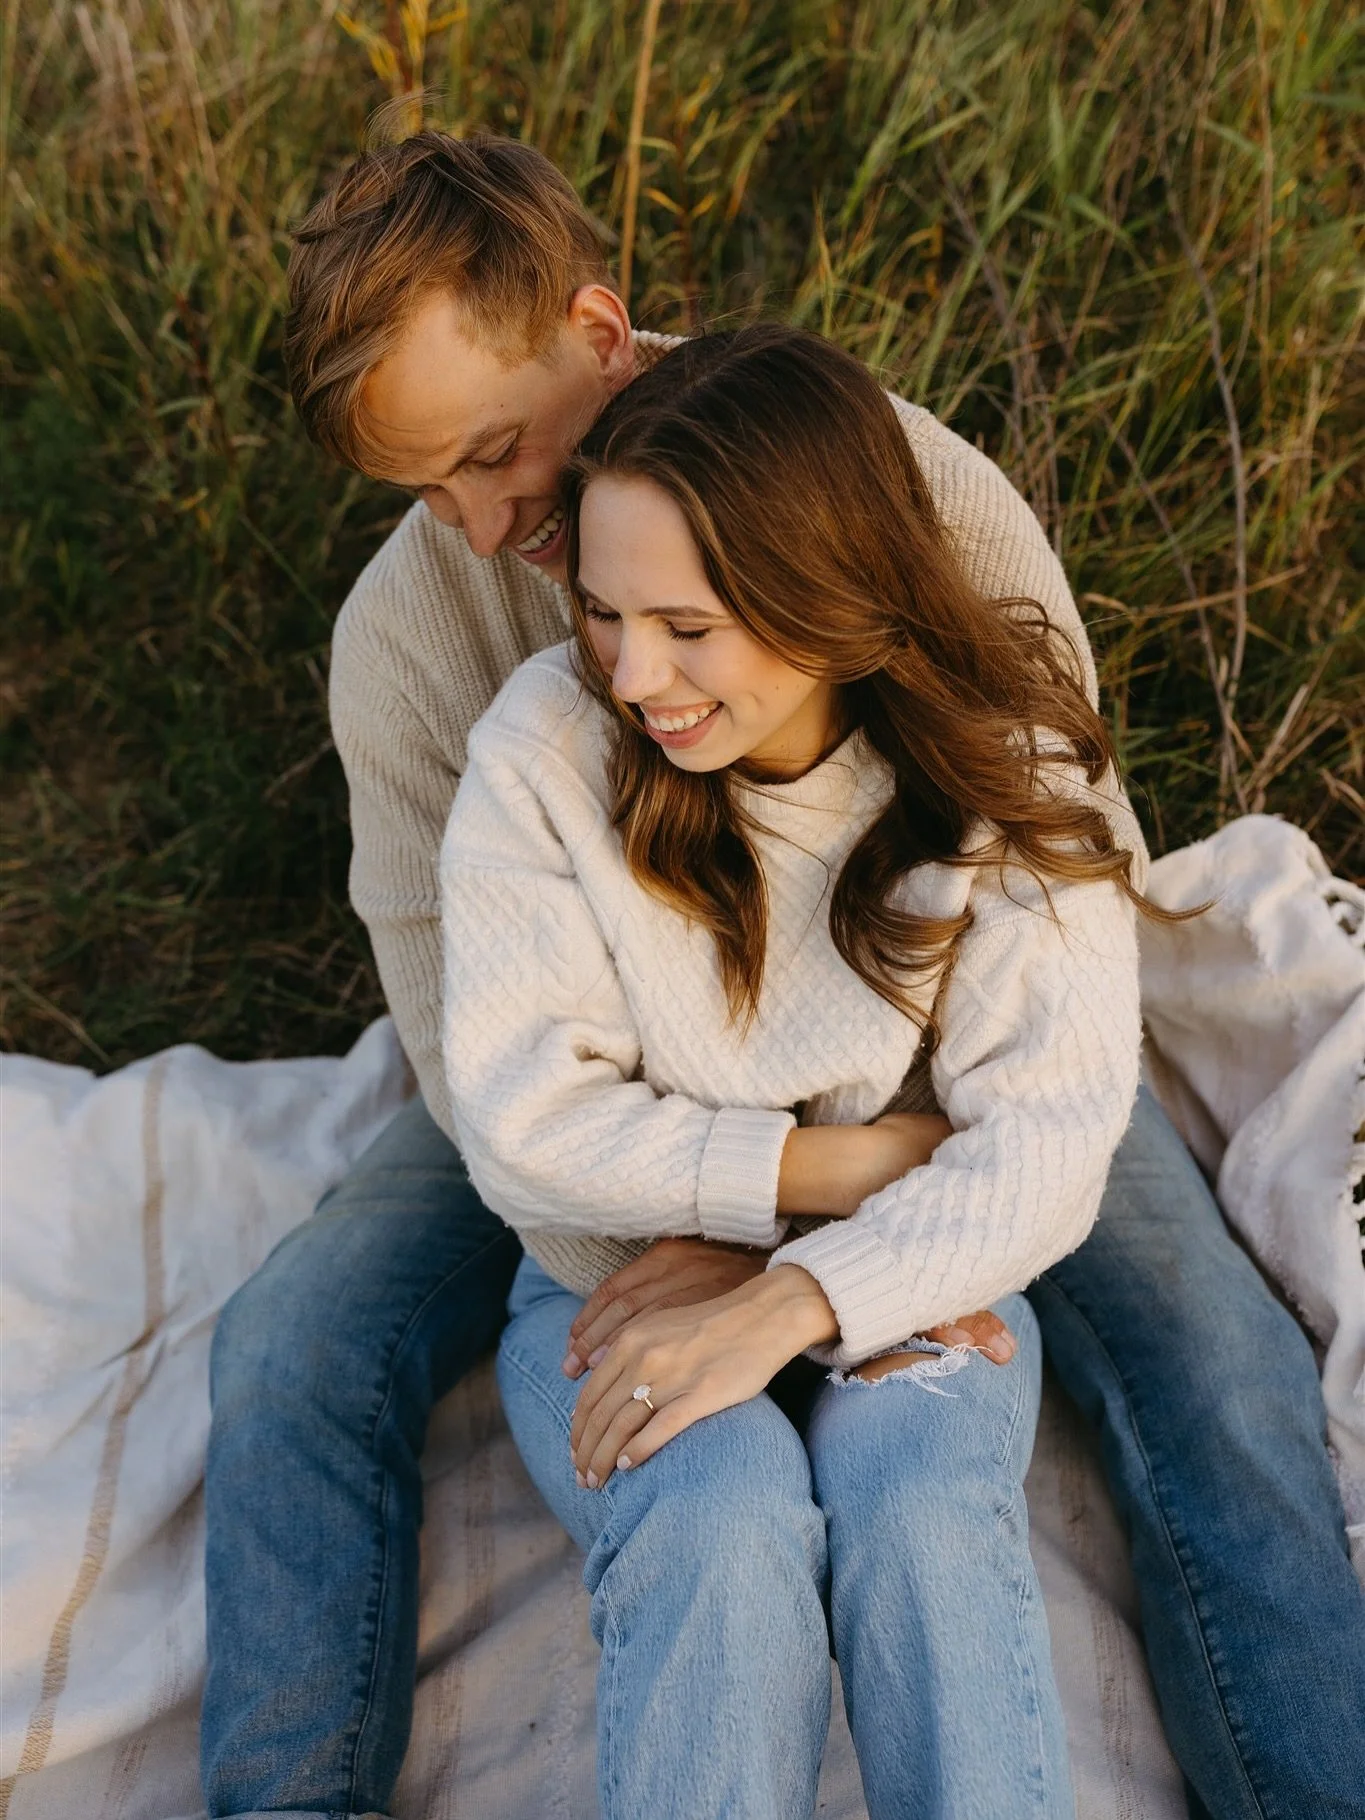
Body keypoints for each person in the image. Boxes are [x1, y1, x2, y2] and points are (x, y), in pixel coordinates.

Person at [200, 132, 1365, 1820]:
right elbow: (472, 1042)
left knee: (1213, 1360)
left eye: (496, 450)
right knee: (289, 1346)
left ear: (600, 331)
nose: (480, 520)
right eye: (420, 485)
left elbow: (1058, 856)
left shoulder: (909, 493)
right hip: (594, 1106)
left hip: (925, 1080)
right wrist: (692, 1217)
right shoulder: (417, 645)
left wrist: (853, 1241)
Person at [441, 319, 1161, 1817]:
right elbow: (522, 1122)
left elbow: (1043, 1141)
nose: (637, 675)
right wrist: (812, 1177)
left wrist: (794, 1297)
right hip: (611, 1272)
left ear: (825, 597)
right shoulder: (544, 755)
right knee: (715, 1517)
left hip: (914, 1258)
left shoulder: (1011, 760)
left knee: (917, 1498)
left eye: (688, 626)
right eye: (603, 616)